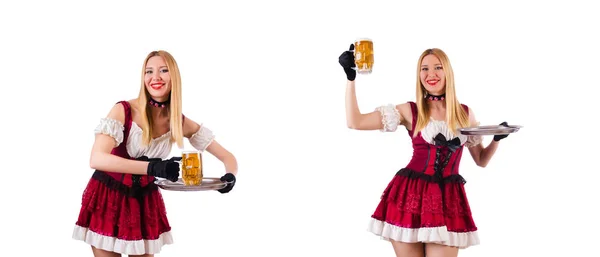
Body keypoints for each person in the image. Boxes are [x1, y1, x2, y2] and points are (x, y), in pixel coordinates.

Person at [338, 45, 511, 257]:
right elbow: (355, 122)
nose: (431, 74)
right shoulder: (410, 110)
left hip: (448, 201)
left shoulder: (465, 113)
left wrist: (497, 139)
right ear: (418, 75)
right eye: (424, 69)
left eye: (437, 67)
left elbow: (481, 160)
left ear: (448, 71)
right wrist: (350, 77)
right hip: (409, 196)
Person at [72, 50, 238, 256]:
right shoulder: (123, 110)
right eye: (149, 71)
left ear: (173, 77)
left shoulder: (178, 121)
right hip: (109, 197)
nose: (155, 77)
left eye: (163, 70)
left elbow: (227, 157)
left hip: (144, 201)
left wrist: (230, 177)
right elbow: (97, 159)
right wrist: (153, 167)